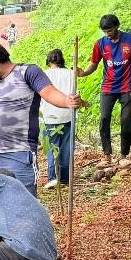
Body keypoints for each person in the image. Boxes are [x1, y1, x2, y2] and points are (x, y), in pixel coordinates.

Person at [0, 42, 85, 196]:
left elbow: (50, 93)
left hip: (19, 153)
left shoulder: (28, 72)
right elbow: (0, 110)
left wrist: (67, 101)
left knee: (24, 201)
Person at [77, 14, 131, 167]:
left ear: (117, 26)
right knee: (104, 119)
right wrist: (83, 73)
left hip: (127, 86)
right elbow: (93, 64)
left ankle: (123, 154)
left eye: (110, 30)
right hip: (108, 86)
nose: (108, 34)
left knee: (126, 120)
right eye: (105, 31)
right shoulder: (100, 44)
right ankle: (107, 155)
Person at [40, 49, 77, 188]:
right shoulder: (71, 74)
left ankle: (53, 177)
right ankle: (65, 178)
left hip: (49, 115)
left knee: (52, 147)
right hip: (68, 114)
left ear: (49, 62)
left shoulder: (44, 75)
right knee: (67, 147)